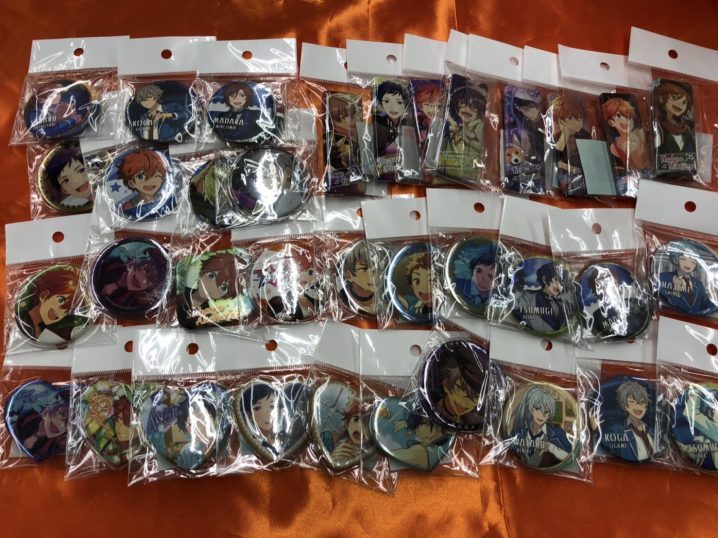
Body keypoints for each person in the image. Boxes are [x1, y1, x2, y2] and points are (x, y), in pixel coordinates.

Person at [16, 266, 83, 344]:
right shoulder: (22, 320)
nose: (59, 313)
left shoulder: (49, 334)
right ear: (43, 295)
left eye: (66, 311)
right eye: (61, 300)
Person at [512, 385, 573, 468]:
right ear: (531, 409)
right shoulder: (520, 432)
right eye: (537, 408)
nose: (542, 415)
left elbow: (569, 455)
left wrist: (550, 447)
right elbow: (508, 448)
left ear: (550, 414)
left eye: (546, 411)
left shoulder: (557, 433)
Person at [98, 242, 167, 311]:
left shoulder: (135, 303)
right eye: (146, 270)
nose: (143, 281)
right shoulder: (115, 257)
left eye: (152, 281)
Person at [583, 266, 648, 339]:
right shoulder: (596, 317)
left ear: (617, 281)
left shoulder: (636, 303)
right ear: (594, 289)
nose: (605, 285)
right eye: (599, 283)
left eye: (608, 279)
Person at [430, 348, 485, 426]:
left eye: (476, 397)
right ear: (446, 385)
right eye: (460, 389)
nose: (466, 402)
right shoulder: (430, 408)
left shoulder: (477, 422)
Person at [603, 381, 654, 462]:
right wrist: (596, 429)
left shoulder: (652, 431)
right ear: (625, 405)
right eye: (633, 402)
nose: (638, 406)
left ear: (646, 406)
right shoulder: (618, 429)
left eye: (642, 402)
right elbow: (606, 442)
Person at [658, 246, 715, 314]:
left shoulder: (699, 284)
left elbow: (706, 305)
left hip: (695, 319)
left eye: (692, 261)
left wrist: (715, 296)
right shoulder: (663, 277)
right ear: (676, 259)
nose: (688, 264)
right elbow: (665, 304)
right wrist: (676, 291)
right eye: (683, 259)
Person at [513, 263, 566, 333]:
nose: (560, 286)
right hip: (529, 335)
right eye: (556, 280)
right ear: (544, 279)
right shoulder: (530, 297)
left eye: (562, 282)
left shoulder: (561, 303)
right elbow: (514, 305)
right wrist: (520, 285)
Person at [601, 96, 650, 171]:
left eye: (629, 115)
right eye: (618, 116)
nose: (626, 120)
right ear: (611, 122)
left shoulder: (641, 133)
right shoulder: (614, 147)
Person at [117, 149, 167, 217]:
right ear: (132, 183)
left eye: (156, 176)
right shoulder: (128, 207)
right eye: (141, 177)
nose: (150, 181)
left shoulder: (165, 199)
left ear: (162, 179)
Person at [320, 399, 371, 466]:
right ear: (347, 423)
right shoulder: (327, 439)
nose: (360, 428)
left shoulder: (372, 458)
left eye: (367, 422)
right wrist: (332, 459)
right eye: (356, 419)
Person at [43, 144, 92, 210]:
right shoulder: (69, 206)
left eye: (81, 170)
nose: (76, 180)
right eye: (66, 180)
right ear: (64, 190)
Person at [653, 81, 695, 157]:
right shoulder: (656, 127)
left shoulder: (688, 128)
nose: (679, 104)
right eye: (674, 97)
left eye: (684, 102)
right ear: (661, 99)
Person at [374, 80, 411, 155]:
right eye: (387, 101)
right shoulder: (377, 123)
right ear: (381, 103)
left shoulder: (409, 123)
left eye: (399, 102)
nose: (393, 107)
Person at [339, 242, 376, 315]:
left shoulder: (385, 293)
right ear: (349, 275)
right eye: (365, 269)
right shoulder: (343, 296)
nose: (374, 274)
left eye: (377, 267)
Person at [398, 251, 432, 318]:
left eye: (431, 280)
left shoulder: (446, 308)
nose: (424, 287)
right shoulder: (413, 306)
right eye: (417, 281)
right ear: (411, 284)